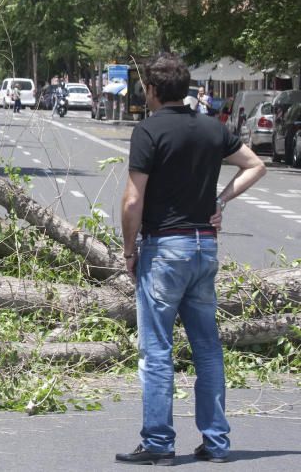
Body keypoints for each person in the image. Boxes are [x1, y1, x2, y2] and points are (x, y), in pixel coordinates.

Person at [116, 53, 266, 465]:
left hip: (165, 249)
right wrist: (221, 199)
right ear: (185, 89)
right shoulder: (210, 129)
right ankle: (216, 442)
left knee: (158, 350)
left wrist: (129, 250)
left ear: (152, 90)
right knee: (207, 348)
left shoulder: (148, 131)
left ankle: (159, 443)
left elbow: (133, 200)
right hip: (204, 247)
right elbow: (256, 165)